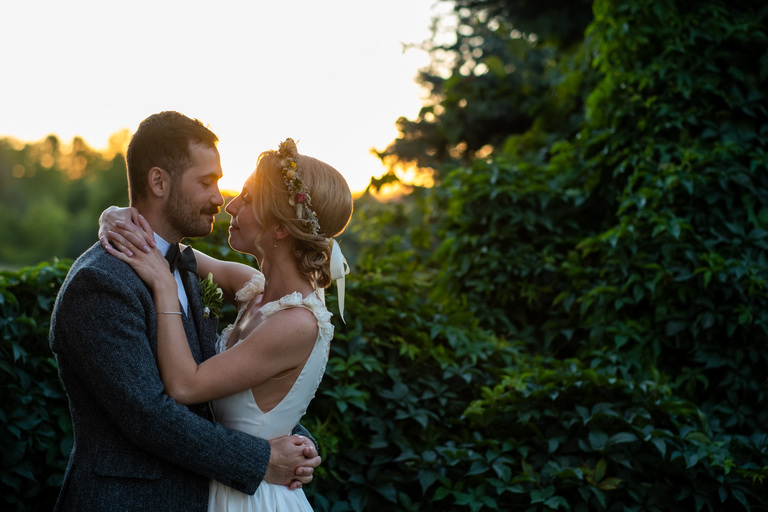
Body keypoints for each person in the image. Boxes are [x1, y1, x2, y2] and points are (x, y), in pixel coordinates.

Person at [49, 111, 321, 512]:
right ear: (158, 181)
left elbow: (222, 378)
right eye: (206, 182)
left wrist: (289, 435)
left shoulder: (184, 266)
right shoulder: (100, 283)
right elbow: (149, 415)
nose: (219, 198)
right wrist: (262, 459)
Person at [99, 136, 353, 510]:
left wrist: (165, 289)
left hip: (252, 497)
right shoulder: (252, 287)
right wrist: (113, 215)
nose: (230, 205)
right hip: (220, 482)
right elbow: (164, 246)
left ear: (281, 229)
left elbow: (186, 386)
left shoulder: (296, 323)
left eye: (248, 199)